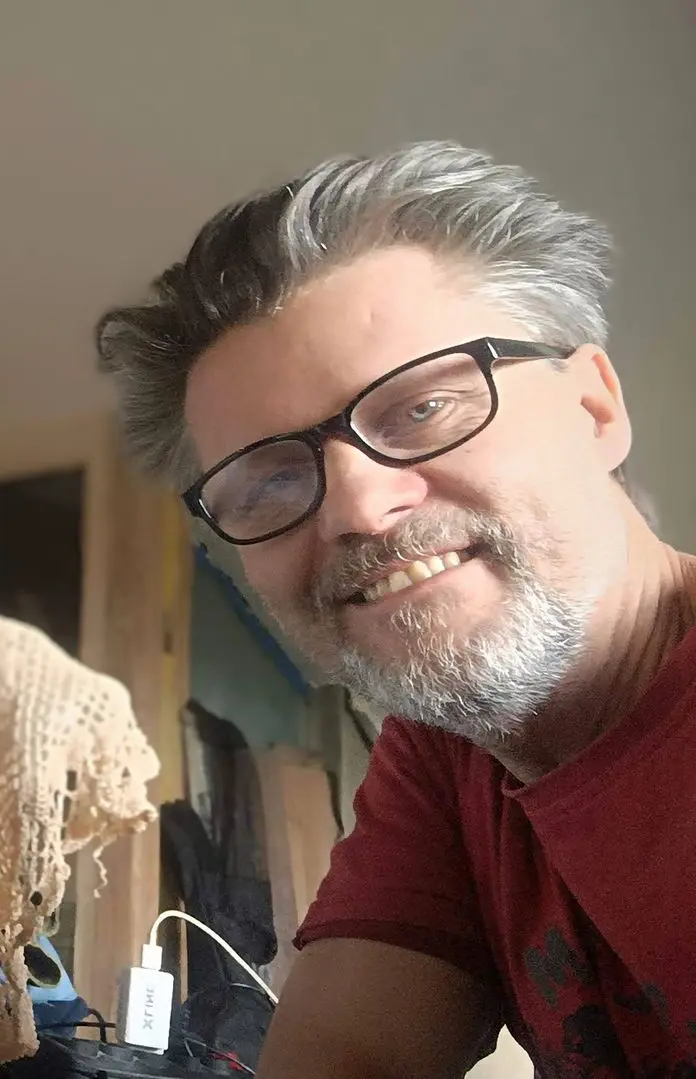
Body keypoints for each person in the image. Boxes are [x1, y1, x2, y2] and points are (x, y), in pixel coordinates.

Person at [95, 141, 695, 1078]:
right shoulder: (445, 752)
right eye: (269, 478)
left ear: (593, 410)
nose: (357, 508)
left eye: (420, 408)